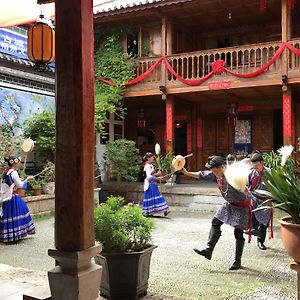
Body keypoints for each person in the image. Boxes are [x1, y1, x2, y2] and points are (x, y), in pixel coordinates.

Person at [182, 155, 251, 270]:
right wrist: (187, 173)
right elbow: (202, 175)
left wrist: (245, 190)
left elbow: (243, 187)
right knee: (215, 222)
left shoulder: (233, 175)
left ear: (222, 167)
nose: (214, 173)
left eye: (215, 171)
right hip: (229, 204)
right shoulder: (216, 175)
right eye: (212, 171)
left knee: (238, 233)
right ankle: (208, 250)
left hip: (241, 207)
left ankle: (237, 261)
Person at [0, 156, 35, 243]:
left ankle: (8, 235)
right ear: (15, 163)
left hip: (5, 197)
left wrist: (19, 180)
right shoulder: (14, 172)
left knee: (7, 215)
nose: (19, 163)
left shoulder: (5, 172)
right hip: (12, 197)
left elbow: (10, 183)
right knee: (21, 210)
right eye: (18, 162)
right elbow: (20, 185)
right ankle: (16, 234)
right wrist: (27, 180)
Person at [247, 151, 272, 250]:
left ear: (262, 162)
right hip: (254, 199)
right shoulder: (251, 173)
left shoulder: (269, 173)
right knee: (254, 219)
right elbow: (248, 187)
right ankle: (254, 231)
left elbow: (274, 187)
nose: (255, 167)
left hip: (266, 201)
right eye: (253, 165)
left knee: (263, 223)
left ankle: (260, 241)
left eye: (257, 165)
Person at [142, 152, 170, 216]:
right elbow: (148, 177)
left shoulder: (150, 165)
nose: (153, 158)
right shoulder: (147, 166)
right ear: (148, 158)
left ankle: (164, 210)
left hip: (152, 184)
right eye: (151, 157)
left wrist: (157, 174)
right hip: (150, 185)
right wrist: (157, 178)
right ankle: (164, 210)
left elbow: (151, 175)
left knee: (157, 196)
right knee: (157, 196)